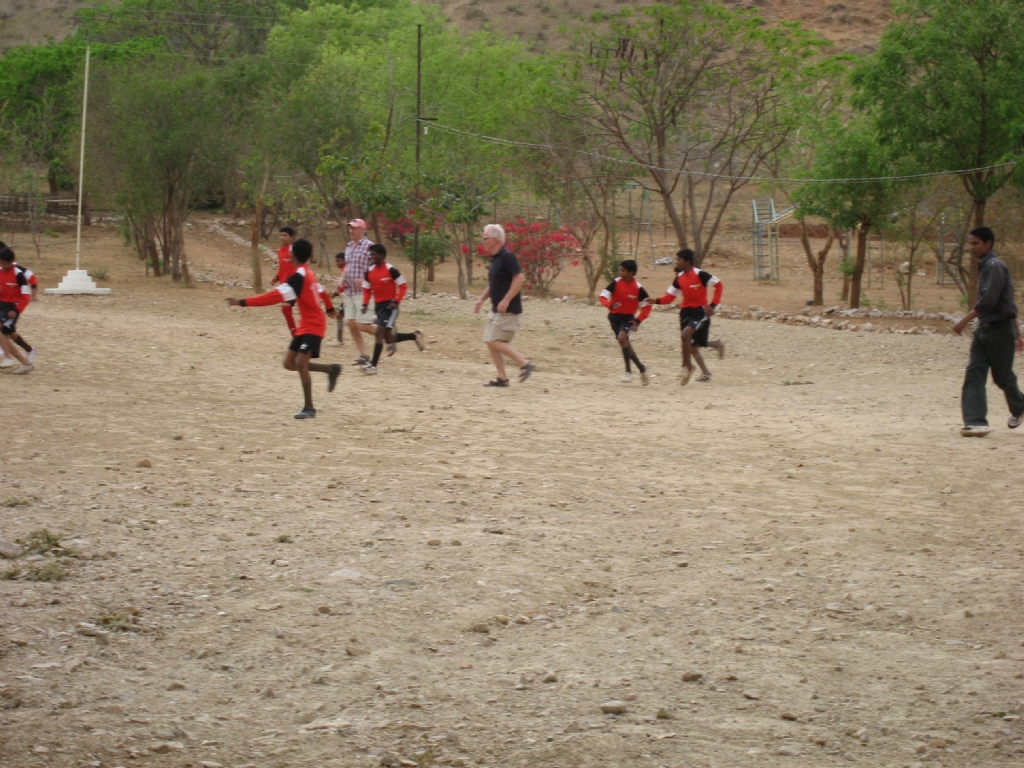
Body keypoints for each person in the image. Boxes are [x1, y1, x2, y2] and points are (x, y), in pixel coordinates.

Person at [227, 238, 341, 419]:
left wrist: (242, 302)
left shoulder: (298, 277)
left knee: (301, 363)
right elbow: (321, 291)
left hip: (314, 325)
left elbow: (273, 297)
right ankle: (330, 369)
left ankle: (309, 408)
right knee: (289, 363)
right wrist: (328, 307)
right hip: (305, 324)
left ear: (292, 254)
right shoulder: (307, 273)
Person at [952, 227, 1024, 437]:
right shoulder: (985, 266)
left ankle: (1020, 407)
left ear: (988, 244)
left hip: (999, 330)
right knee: (974, 372)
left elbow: (990, 302)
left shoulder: (995, 267)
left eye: (976, 243)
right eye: (970, 243)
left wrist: (963, 321)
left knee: (1003, 377)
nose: (971, 247)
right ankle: (975, 422)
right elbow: (1008, 303)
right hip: (984, 329)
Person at [648, 249, 724, 385]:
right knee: (691, 345)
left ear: (687, 261)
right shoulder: (679, 278)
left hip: (700, 312)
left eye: (679, 260)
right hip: (685, 313)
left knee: (685, 335)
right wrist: (656, 301)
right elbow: (669, 297)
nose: (677, 262)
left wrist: (713, 305)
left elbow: (719, 284)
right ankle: (706, 369)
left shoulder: (700, 275)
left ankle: (686, 366)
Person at [473, 224, 535, 387]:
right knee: (490, 342)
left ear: (495, 240)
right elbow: (494, 284)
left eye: (485, 238)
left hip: (508, 310)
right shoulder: (496, 259)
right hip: (497, 308)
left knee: (493, 340)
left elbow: (519, 279)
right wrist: (481, 299)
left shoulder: (507, 256)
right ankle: (502, 378)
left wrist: (506, 300)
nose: (483, 241)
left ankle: (524, 363)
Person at [360, 243, 425, 375]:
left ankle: (372, 366)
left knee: (379, 333)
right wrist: (365, 304)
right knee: (389, 339)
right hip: (378, 307)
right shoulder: (368, 272)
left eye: (374, 254)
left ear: (382, 255)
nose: (371, 257)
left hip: (390, 307)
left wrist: (396, 301)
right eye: (370, 254)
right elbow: (366, 289)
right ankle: (414, 335)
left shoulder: (391, 270)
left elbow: (403, 286)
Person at [599, 259, 651, 384]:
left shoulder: (638, 288)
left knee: (622, 339)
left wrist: (638, 320)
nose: (620, 272)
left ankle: (628, 372)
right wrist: (609, 305)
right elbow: (603, 296)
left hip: (628, 319)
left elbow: (647, 306)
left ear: (631, 273)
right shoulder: (616, 283)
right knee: (626, 344)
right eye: (620, 270)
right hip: (614, 318)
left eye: (622, 270)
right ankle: (642, 369)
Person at [340, 218, 378, 366]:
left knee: (362, 325)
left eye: (355, 228)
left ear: (363, 229)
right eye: (350, 228)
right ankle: (364, 354)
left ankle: (387, 334)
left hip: (363, 291)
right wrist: (341, 279)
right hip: (349, 290)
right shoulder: (349, 246)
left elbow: (377, 267)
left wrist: (365, 278)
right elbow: (348, 267)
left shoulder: (369, 246)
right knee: (350, 323)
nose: (352, 230)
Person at [0, 242, 36, 368]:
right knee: (7, 334)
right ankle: (26, 357)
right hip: (2, 305)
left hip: (12, 307)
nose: (2, 266)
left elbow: (26, 296)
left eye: (4, 263)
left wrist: (16, 310)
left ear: (12, 261)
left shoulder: (18, 274)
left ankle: (10, 358)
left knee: (4, 333)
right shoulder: (0, 271)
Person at [272, 227, 298, 336]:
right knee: (287, 310)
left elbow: (298, 265)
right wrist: (277, 277)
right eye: (281, 235)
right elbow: (282, 268)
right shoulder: (279, 250)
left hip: (294, 284)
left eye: (285, 235)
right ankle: (295, 334)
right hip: (284, 284)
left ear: (291, 237)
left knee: (285, 308)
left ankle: (295, 335)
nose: (282, 237)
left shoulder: (293, 250)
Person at [329, 252, 347, 346]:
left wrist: (334, 294)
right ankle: (339, 340)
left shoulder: (345, 269)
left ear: (344, 260)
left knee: (340, 316)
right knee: (340, 316)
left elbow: (342, 287)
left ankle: (339, 340)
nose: (337, 263)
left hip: (350, 297)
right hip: (349, 297)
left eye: (339, 261)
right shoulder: (344, 269)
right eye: (336, 261)